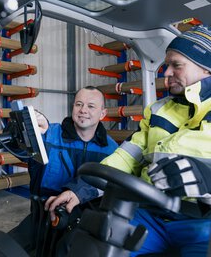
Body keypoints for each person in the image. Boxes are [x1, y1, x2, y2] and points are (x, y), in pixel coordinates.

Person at [45, 26, 211, 257]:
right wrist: (79, 191)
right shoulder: (158, 110)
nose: (166, 73)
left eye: (177, 65)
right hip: (149, 214)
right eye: (166, 65)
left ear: (206, 69)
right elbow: (126, 157)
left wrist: (207, 176)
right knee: (82, 245)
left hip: (203, 224)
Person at [8, 85, 118, 253]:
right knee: (4, 249)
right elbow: (18, 149)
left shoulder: (112, 150)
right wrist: (22, 128)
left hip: (84, 223)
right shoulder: (49, 134)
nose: (83, 110)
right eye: (78, 104)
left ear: (103, 113)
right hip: (42, 218)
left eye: (91, 106)